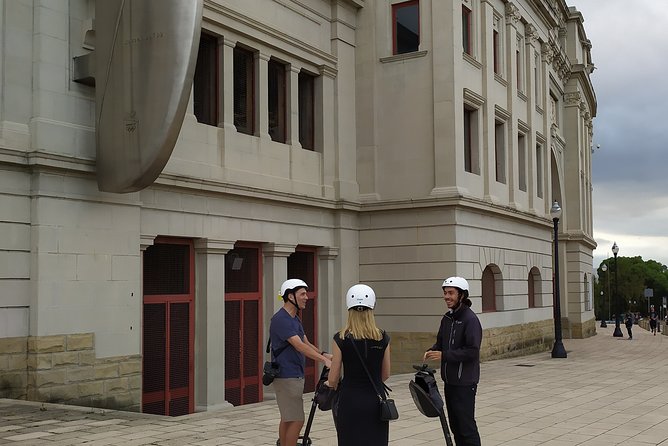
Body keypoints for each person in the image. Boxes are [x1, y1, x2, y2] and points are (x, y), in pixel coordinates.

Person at [325, 284, 391, 446]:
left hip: (350, 401)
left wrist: (327, 383)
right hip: (375, 401)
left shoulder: (340, 338)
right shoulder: (383, 337)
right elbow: (385, 374)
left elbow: (333, 379)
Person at [270, 279, 332, 446]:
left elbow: (306, 342)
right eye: (302, 294)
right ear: (290, 296)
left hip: (293, 374)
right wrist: (324, 361)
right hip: (286, 375)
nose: (307, 297)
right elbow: (298, 346)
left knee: (288, 418)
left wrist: (325, 354)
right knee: (296, 420)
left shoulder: (294, 319)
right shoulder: (281, 319)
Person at [424, 276, 482, 446]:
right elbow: (441, 343)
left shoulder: (470, 320)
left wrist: (445, 356)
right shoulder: (447, 319)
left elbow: (472, 351)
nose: (446, 297)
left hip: (465, 382)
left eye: (450, 293)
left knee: (466, 427)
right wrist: (432, 350)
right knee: (455, 426)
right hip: (450, 381)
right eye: (445, 293)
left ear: (462, 295)